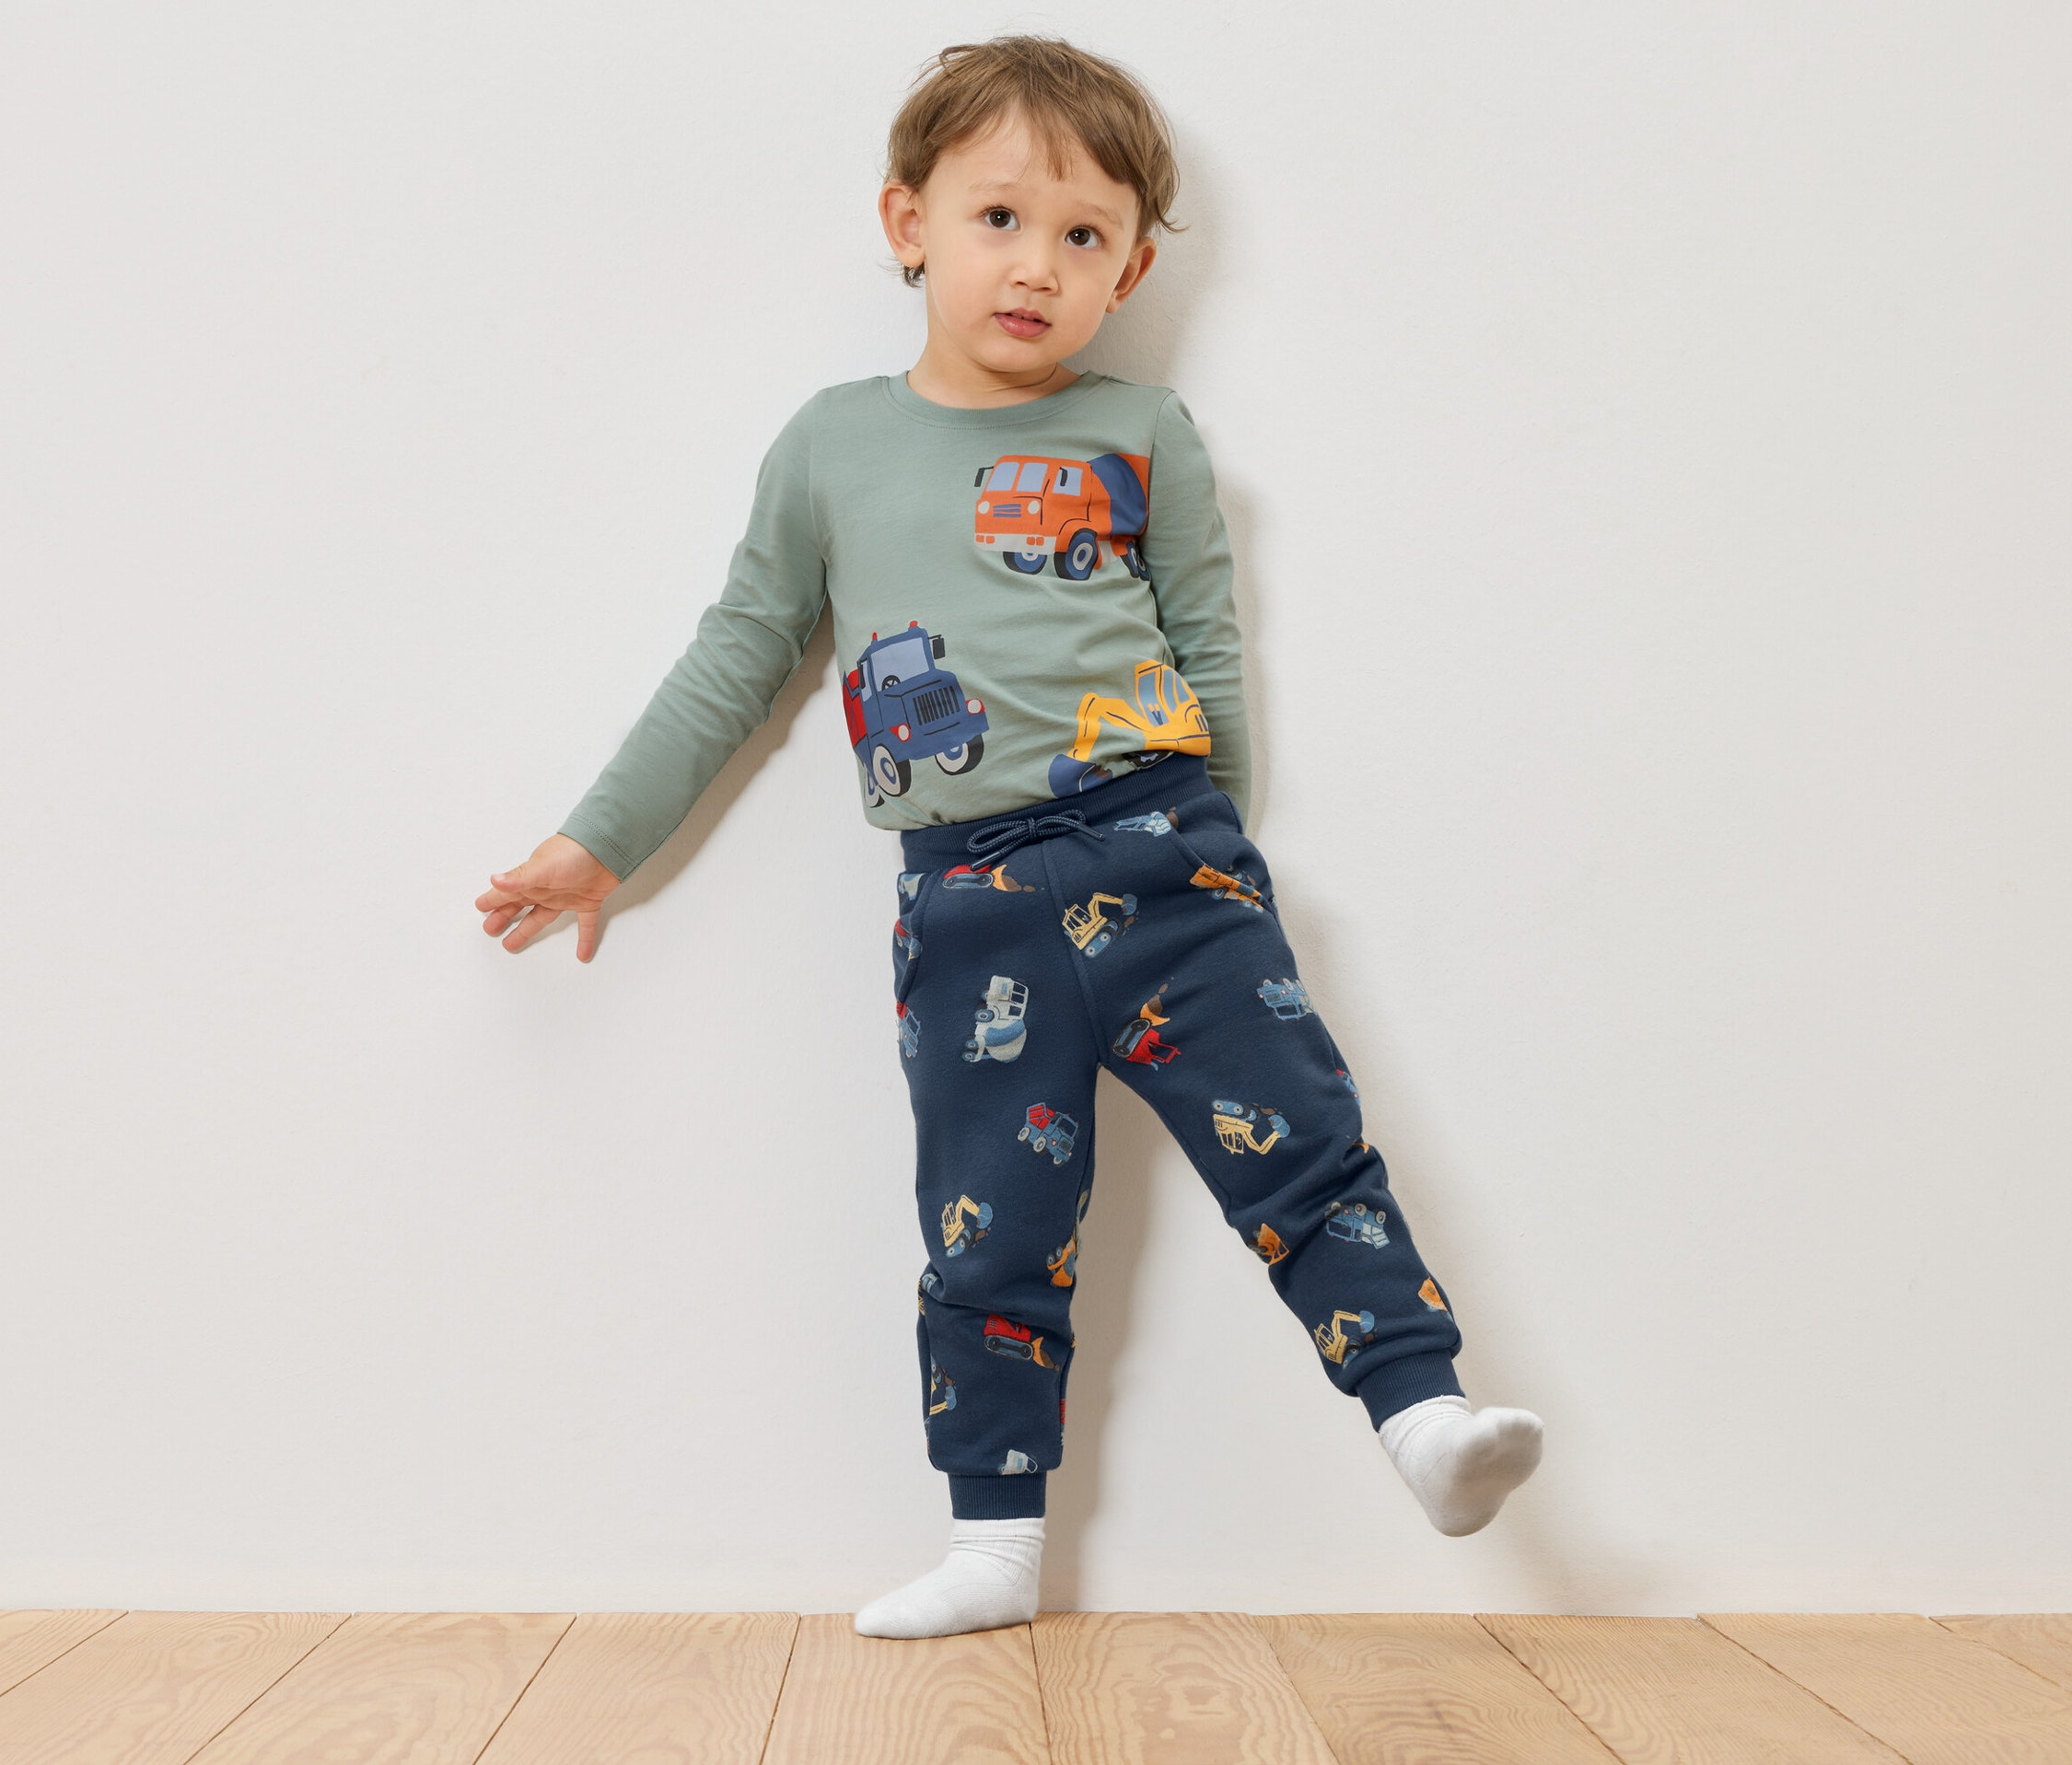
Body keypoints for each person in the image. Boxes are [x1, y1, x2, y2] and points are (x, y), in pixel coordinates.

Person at [475, 34, 1542, 1640]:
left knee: (1310, 1153)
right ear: (905, 220)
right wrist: (596, 840)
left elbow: (1207, 641)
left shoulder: (1145, 431)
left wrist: (1219, 843)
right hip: (964, 896)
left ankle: (1422, 1419)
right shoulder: (832, 444)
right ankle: (992, 1546)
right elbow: (737, 656)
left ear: (1133, 265)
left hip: (1162, 855)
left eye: (1083, 235)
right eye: (996, 220)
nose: (1035, 265)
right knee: (985, 1230)